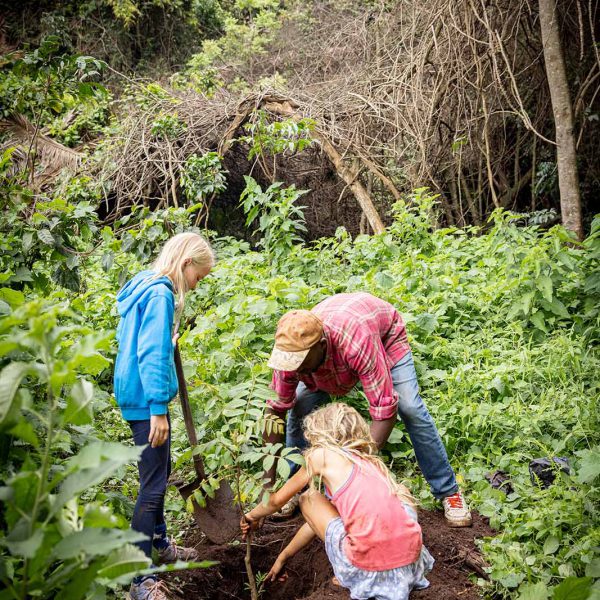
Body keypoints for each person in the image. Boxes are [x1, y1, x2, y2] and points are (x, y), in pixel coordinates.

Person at [263, 292, 471, 527]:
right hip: (331, 350)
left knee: (410, 407)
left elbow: (384, 411)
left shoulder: (356, 343)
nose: (294, 370)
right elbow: (275, 412)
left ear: (321, 346)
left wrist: (351, 477)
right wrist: (267, 488)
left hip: (384, 336)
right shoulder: (291, 353)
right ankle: (293, 487)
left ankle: (448, 491)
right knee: (299, 409)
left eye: (300, 363)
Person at [243, 403, 435, 600]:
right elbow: (317, 523)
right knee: (401, 491)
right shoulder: (369, 462)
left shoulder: (321, 455)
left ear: (319, 432)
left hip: (367, 569)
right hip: (410, 561)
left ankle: (350, 574)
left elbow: (275, 502)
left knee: (309, 498)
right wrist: (283, 558)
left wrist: (251, 515)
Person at [114, 232, 214, 600]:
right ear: (186, 263)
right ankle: (139, 580)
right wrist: (158, 409)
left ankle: (161, 544)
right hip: (145, 399)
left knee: (159, 471)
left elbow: (142, 338)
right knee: (153, 486)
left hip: (132, 392)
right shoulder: (161, 294)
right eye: (198, 276)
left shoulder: (144, 283)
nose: (196, 284)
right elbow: (151, 353)